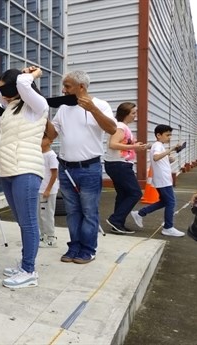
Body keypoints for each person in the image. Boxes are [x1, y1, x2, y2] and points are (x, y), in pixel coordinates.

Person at [47, 70, 117, 264]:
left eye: (67, 86)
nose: (63, 89)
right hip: (66, 167)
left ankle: (88, 249)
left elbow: (112, 129)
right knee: (72, 211)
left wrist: (93, 109)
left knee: (89, 211)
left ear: (81, 87)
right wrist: (42, 115)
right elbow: (52, 134)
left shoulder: (101, 105)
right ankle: (75, 246)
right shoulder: (63, 108)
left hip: (89, 168)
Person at [0, 66, 48, 288]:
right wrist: (8, 79)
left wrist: (34, 74)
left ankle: (29, 271)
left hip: (26, 169)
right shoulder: (11, 105)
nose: (0, 91)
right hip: (8, 170)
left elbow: (23, 84)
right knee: (23, 222)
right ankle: (25, 264)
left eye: (6, 87)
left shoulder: (37, 106)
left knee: (29, 223)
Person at [129, 125, 184, 237]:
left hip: (163, 179)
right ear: (158, 135)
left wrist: (168, 158)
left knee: (164, 201)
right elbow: (156, 157)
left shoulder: (158, 146)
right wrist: (172, 149)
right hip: (163, 179)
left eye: (170, 135)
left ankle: (140, 213)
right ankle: (168, 227)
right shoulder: (158, 145)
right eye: (167, 135)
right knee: (171, 202)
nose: (169, 137)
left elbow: (158, 158)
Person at [103, 102, 147, 234]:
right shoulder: (120, 126)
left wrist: (136, 145)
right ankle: (116, 220)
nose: (135, 115)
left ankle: (117, 224)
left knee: (123, 194)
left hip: (117, 164)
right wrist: (134, 147)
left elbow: (121, 144)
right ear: (126, 114)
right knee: (135, 193)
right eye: (133, 113)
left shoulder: (122, 126)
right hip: (119, 165)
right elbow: (113, 144)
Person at [39, 133, 59, 248]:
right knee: (40, 214)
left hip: (48, 190)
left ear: (50, 141)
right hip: (40, 189)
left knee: (47, 214)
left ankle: (51, 237)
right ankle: (42, 235)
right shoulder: (39, 154)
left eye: (43, 138)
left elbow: (54, 174)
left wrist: (48, 189)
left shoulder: (51, 155)